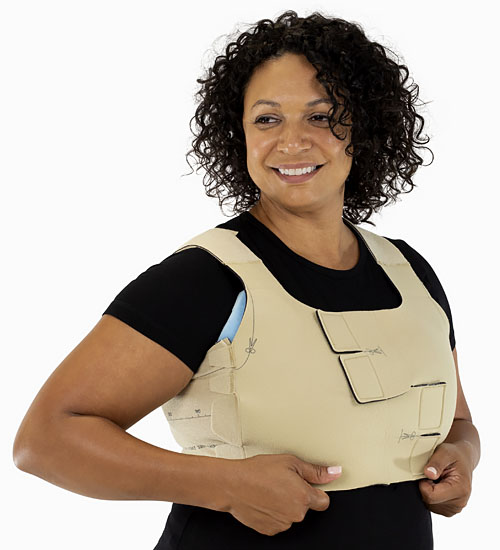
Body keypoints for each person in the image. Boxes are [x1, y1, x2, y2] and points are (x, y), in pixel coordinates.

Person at [13, 9, 480, 550]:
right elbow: (45, 440)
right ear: (239, 135)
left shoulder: (411, 272)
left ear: (365, 128)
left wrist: (462, 457)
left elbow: (457, 421)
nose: (292, 141)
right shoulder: (206, 279)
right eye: (267, 119)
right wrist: (224, 484)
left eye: (321, 116)